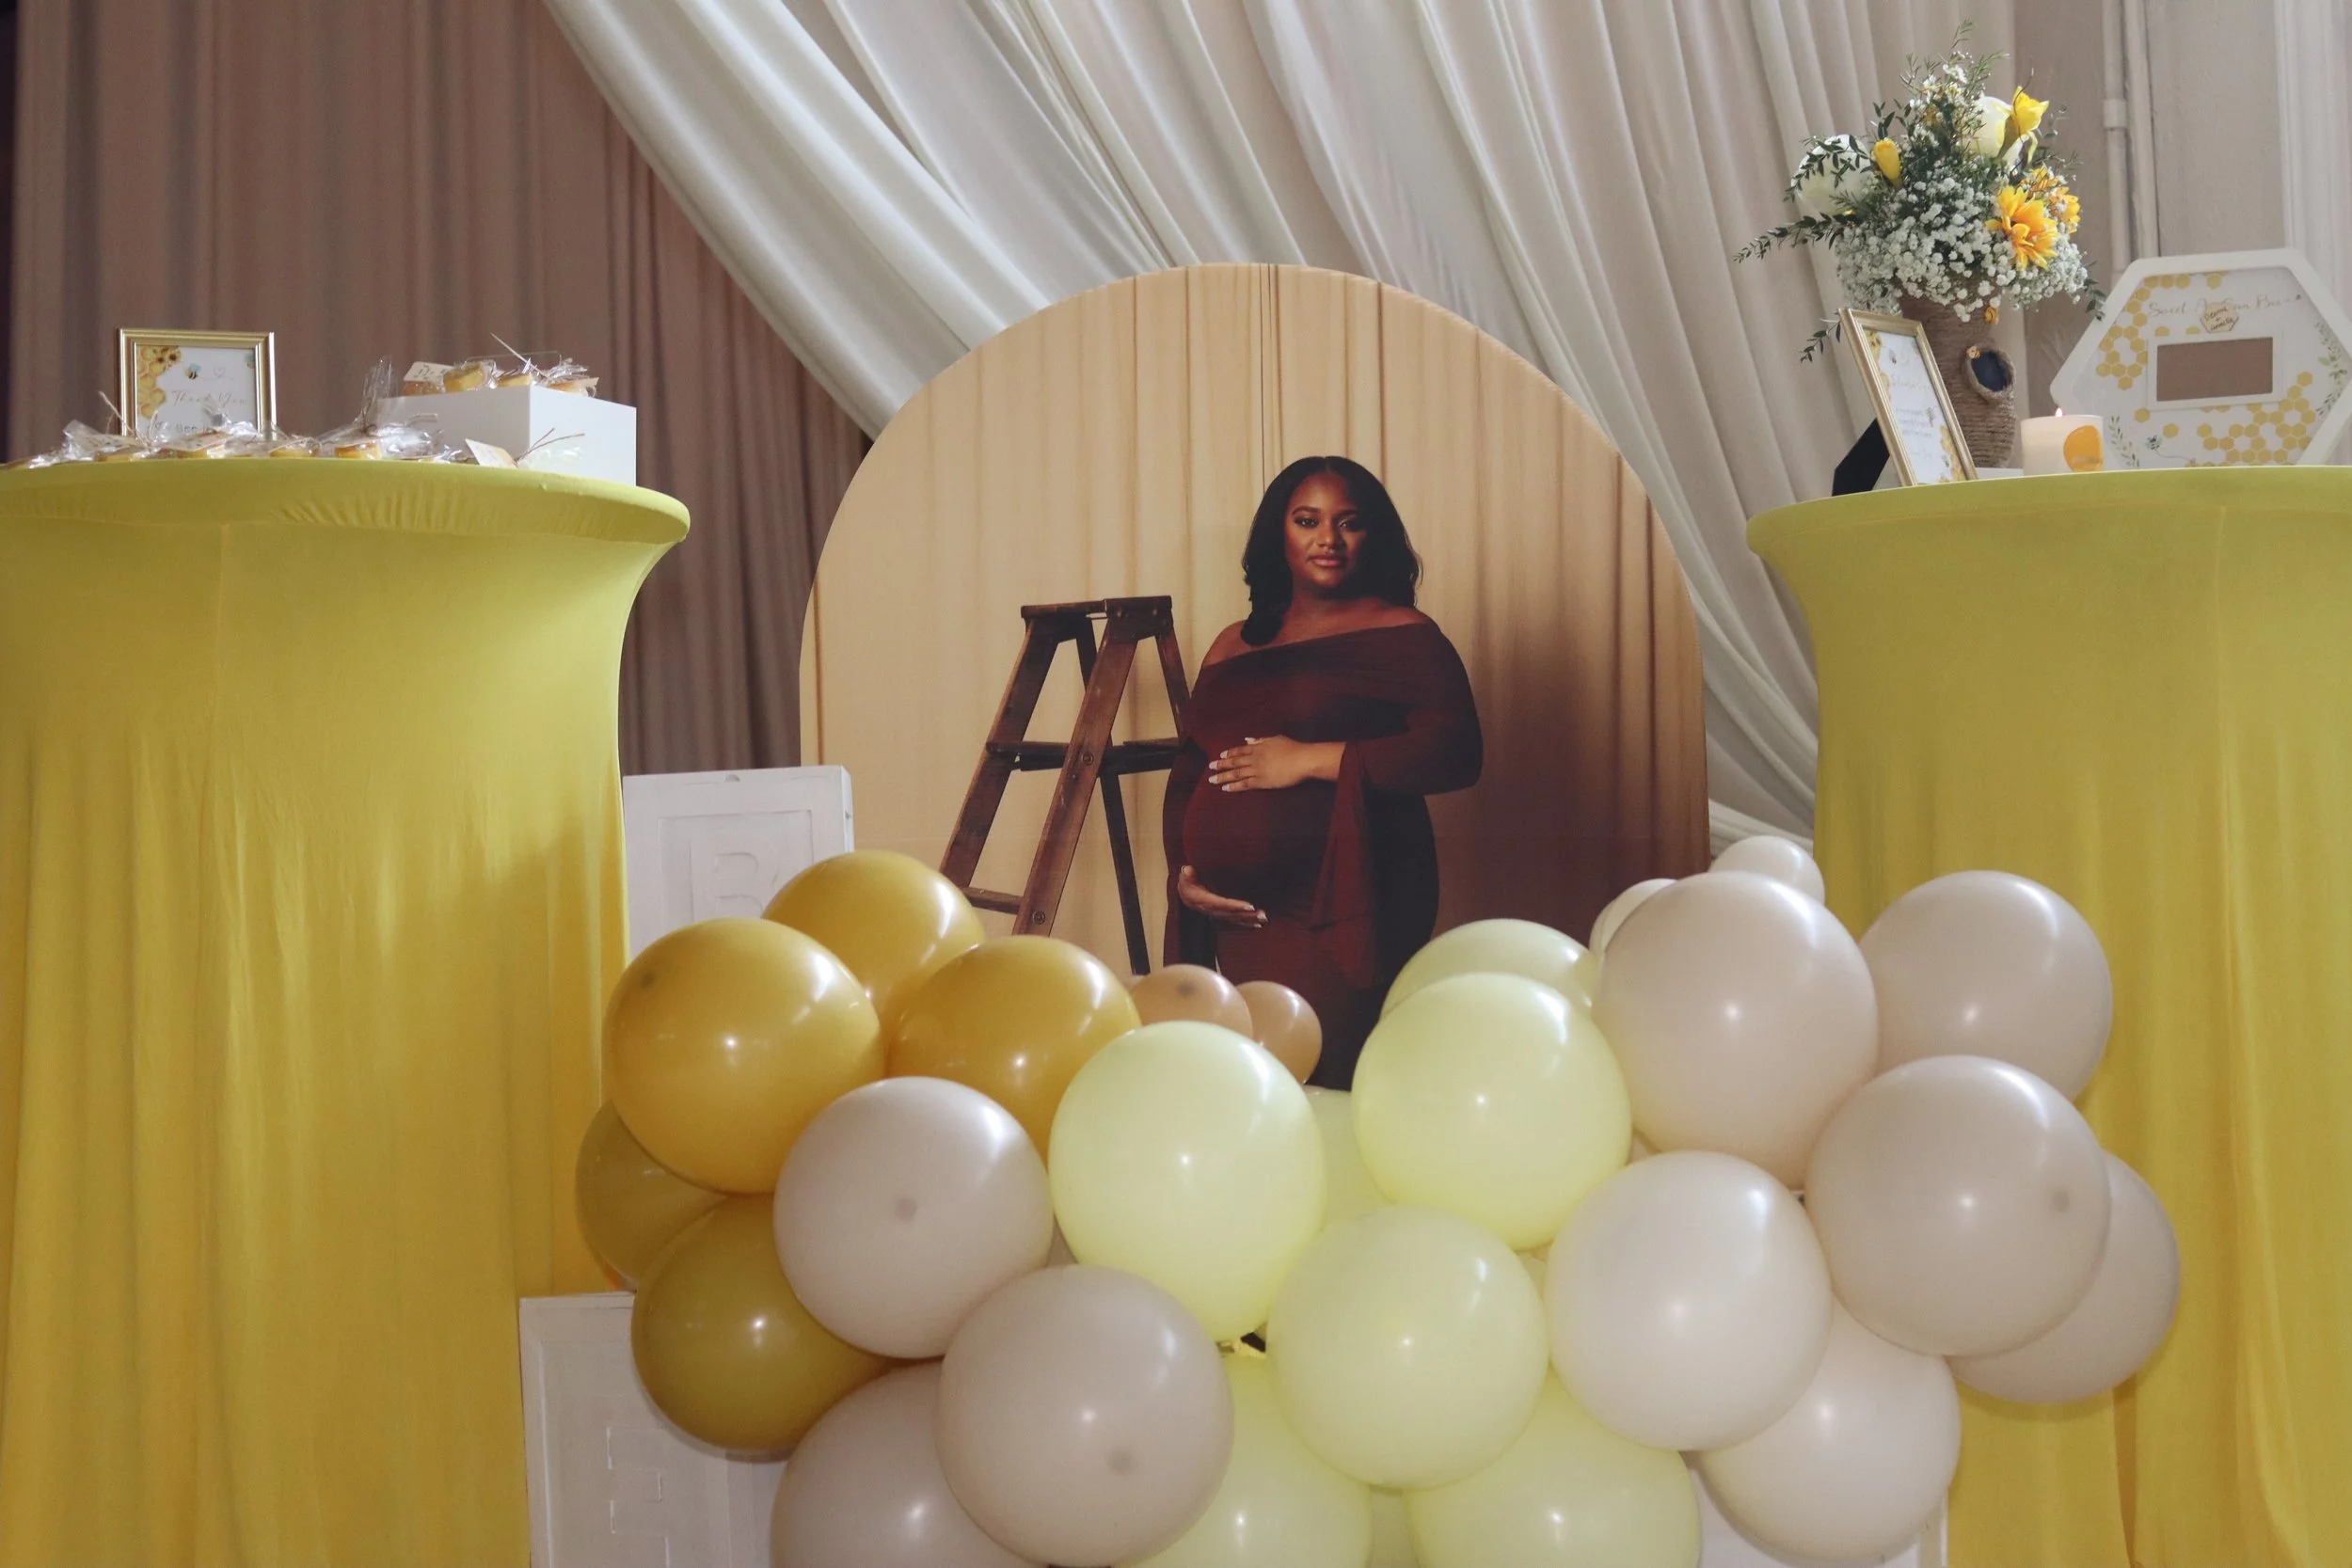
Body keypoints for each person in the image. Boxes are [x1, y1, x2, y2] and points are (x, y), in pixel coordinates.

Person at [1163, 455, 1482, 1088]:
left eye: (1348, 522)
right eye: (1307, 521)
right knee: (1250, 1073)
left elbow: (1457, 751)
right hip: (1238, 913)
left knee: (1322, 1069)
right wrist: (1185, 873)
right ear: (1277, 534)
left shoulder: (1404, 634)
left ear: (1374, 535)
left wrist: (1309, 758)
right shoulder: (1232, 642)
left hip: (1341, 899)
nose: (1328, 539)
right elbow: (1193, 766)